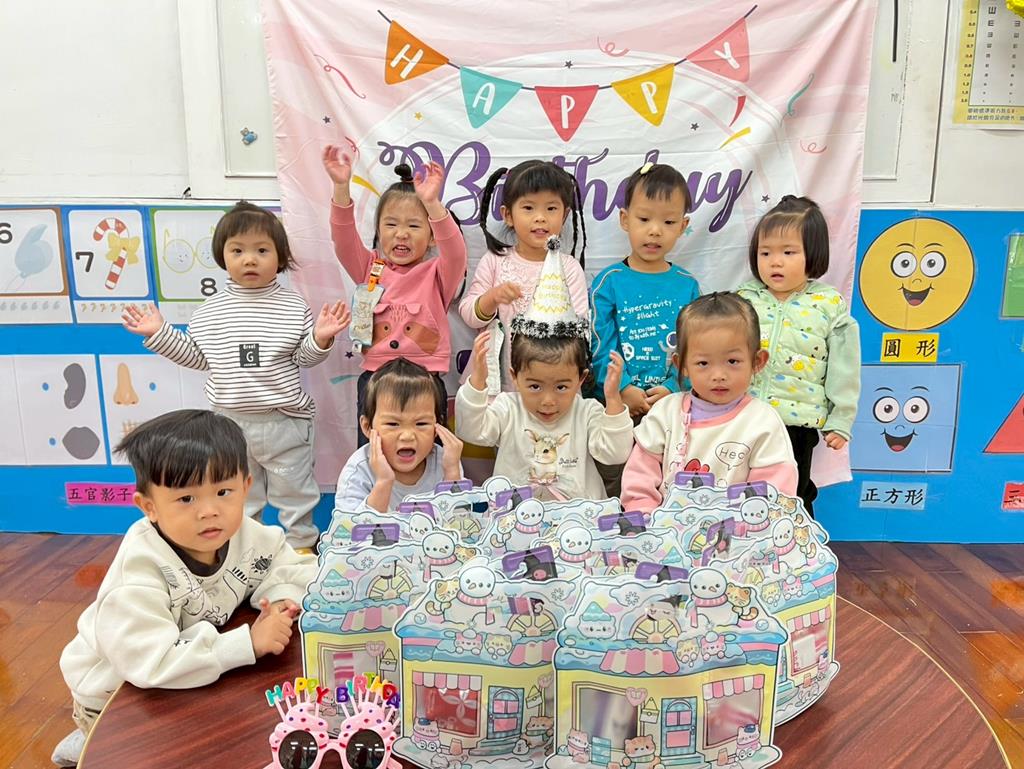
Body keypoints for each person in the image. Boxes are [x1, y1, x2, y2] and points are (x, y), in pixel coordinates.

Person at [53, 410, 316, 767]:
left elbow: (292, 566)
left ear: (246, 487)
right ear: (149, 507)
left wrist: (282, 601)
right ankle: (85, 737)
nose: (209, 511)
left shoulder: (242, 531)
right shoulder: (139, 572)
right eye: (186, 499)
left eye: (223, 492)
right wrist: (248, 643)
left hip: (193, 663)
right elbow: (152, 663)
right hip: (117, 694)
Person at [122, 202, 350, 549]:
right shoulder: (210, 311)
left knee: (296, 493)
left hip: (285, 422)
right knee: (238, 495)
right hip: (230, 424)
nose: (250, 260)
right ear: (222, 255)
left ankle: (301, 548)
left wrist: (320, 338)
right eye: (238, 250)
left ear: (280, 256)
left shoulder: (293, 307)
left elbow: (304, 358)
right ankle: (244, 551)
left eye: (262, 250)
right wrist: (160, 333)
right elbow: (197, 357)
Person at [455, 237, 633, 500]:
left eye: (561, 387)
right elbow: (472, 431)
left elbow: (615, 453)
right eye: (535, 386)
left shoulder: (587, 413)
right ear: (515, 377)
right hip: (516, 519)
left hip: (578, 520)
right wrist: (477, 384)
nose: (548, 400)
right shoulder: (507, 408)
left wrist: (614, 400)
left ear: (581, 379)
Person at [322, 148, 468, 445]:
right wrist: (341, 188)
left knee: (428, 454)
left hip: (424, 382)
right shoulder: (369, 268)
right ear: (378, 230)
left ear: (431, 236)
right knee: (373, 454)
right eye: (391, 224)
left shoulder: (438, 274)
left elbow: (456, 252)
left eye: (414, 225)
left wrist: (432, 204)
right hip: (376, 381)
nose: (401, 234)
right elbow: (343, 239)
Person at [620, 292, 798, 514]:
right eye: (703, 363)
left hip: (739, 533)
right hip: (666, 532)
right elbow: (640, 477)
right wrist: (643, 515)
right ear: (682, 365)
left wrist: (749, 527)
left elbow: (774, 491)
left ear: (757, 361)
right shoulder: (665, 412)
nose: (718, 375)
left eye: (732, 361)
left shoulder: (762, 421)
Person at [738, 195, 861, 515]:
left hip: (796, 424)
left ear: (813, 254)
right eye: (765, 252)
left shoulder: (828, 304)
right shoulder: (743, 300)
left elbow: (844, 368)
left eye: (788, 252)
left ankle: (799, 544)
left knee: (794, 494)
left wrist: (841, 418)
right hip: (743, 418)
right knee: (741, 492)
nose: (775, 262)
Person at [590, 161, 701, 496]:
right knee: (614, 482)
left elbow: (696, 348)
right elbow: (599, 344)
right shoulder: (609, 282)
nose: (655, 231)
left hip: (672, 408)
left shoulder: (687, 286)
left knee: (666, 483)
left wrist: (673, 387)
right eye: (644, 219)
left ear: (683, 225)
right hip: (615, 408)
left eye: (668, 222)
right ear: (625, 219)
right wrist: (621, 388)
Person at [458, 160, 589, 393]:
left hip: (550, 388)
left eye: (551, 208)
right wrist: (493, 297)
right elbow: (469, 315)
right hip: (496, 386)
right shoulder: (495, 260)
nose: (540, 217)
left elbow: (580, 330)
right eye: (528, 208)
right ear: (508, 215)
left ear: (565, 215)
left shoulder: (568, 268)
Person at [334, 358, 465, 514]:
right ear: (367, 426)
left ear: (437, 426)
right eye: (393, 424)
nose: (407, 436)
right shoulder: (358, 471)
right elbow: (351, 527)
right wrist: (384, 482)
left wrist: (452, 473)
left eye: (421, 423)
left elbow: (460, 522)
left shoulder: (446, 462)